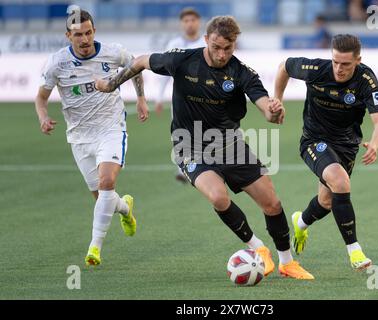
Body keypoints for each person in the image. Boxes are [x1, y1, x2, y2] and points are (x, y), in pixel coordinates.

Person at [96, 16, 314, 280]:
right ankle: (258, 248)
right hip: (189, 146)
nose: (221, 54)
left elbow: (264, 105)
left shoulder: (242, 72)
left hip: (230, 144)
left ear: (235, 44)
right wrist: (111, 84)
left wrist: (273, 111)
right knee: (219, 197)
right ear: (206, 40)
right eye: (216, 47)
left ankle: (286, 262)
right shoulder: (181, 60)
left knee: (272, 203)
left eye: (228, 48)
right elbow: (142, 60)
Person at [35, 9, 149, 266]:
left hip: (111, 128)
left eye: (88, 33)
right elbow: (41, 98)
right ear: (68, 36)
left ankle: (94, 248)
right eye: (78, 35)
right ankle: (125, 209)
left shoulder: (114, 53)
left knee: (107, 181)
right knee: (103, 199)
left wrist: (141, 98)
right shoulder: (56, 63)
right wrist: (43, 117)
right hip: (79, 137)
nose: (84, 39)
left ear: (94, 31)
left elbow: (136, 67)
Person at [274, 34, 378, 271]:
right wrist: (277, 99)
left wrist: (375, 144)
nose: (339, 68)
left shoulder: (366, 80)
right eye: (335, 61)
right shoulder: (315, 69)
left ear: (358, 60)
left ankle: (301, 222)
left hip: (346, 145)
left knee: (326, 202)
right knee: (340, 181)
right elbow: (284, 66)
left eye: (345, 63)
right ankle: (354, 250)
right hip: (314, 140)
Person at [154, 7, 206, 183]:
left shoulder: (206, 43)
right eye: (186, 21)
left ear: (198, 22)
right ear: (181, 24)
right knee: (180, 132)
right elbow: (164, 74)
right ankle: (182, 167)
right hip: (180, 98)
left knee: (205, 129)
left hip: (205, 97)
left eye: (192, 20)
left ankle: (205, 164)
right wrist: (159, 98)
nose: (190, 23)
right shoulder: (174, 45)